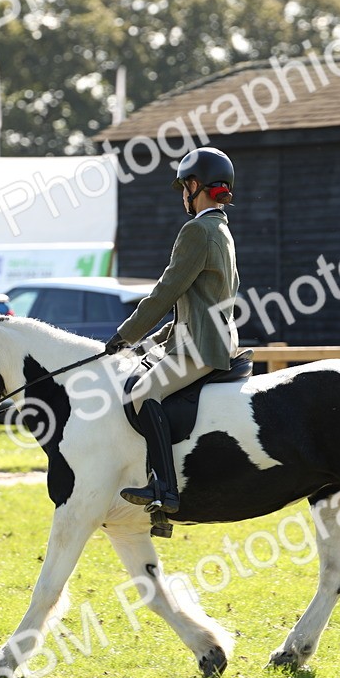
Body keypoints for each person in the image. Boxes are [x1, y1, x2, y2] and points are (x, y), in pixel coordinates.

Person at [104, 147, 241, 515]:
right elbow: (202, 301)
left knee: (142, 392)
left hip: (201, 347)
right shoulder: (221, 229)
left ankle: (165, 488)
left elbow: (166, 291)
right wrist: (155, 339)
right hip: (212, 336)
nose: (183, 195)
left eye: (184, 187)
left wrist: (125, 335)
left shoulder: (197, 230)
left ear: (195, 186)